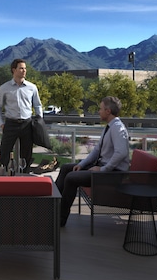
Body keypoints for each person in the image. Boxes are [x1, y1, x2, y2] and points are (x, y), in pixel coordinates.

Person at [55, 96, 130, 227]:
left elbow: (121, 152)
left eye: (100, 109)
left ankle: (60, 219)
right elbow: (96, 151)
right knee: (67, 167)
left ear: (108, 111)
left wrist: (102, 169)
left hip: (113, 174)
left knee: (71, 178)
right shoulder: (109, 127)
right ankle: (53, 208)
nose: (98, 112)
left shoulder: (118, 128)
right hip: (103, 168)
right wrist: (81, 164)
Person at [0, 58, 43, 169]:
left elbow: (38, 105)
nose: (24, 71)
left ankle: (24, 179)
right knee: (5, 153)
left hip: (27, 124)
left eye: (25, 68)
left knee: (26, 155)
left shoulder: (32, 87)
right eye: (21, 68)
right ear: (14, 70)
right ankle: (2, 178)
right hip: (10, 124)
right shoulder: (4, 88)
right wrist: (1, 123)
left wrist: (39, 121)